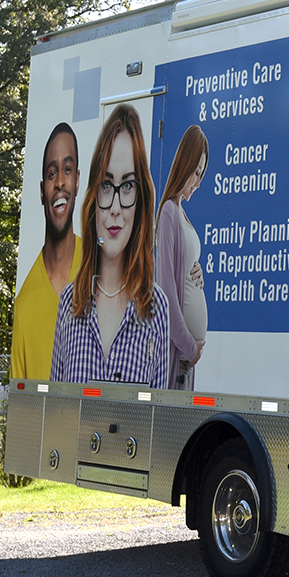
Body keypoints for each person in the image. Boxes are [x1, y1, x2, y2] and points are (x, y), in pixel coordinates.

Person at [51, 104, 170, 388]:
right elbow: (55, 413)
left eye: (127, 186)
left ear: (141, 200)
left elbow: (157, 423)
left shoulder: (156, 308)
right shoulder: (69, 303)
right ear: (94, 199)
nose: (116, 207)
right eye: (107, 185)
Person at [11, 123, 82, 380]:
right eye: (52, 174)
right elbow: (21, 410)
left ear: (77, 181)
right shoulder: (25, 303)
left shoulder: (101, 269)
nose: (61, 182)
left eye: (67, 170)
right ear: (42, 191)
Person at [156, 125, 209, 389]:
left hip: (185, 360)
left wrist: (196, 269)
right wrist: (190, 348)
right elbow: (167, 294)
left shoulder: (181, 212)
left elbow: (183, 271)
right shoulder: (168, 212)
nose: (198, 183)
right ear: (185, 164)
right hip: (176, 357)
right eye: (197, 173)